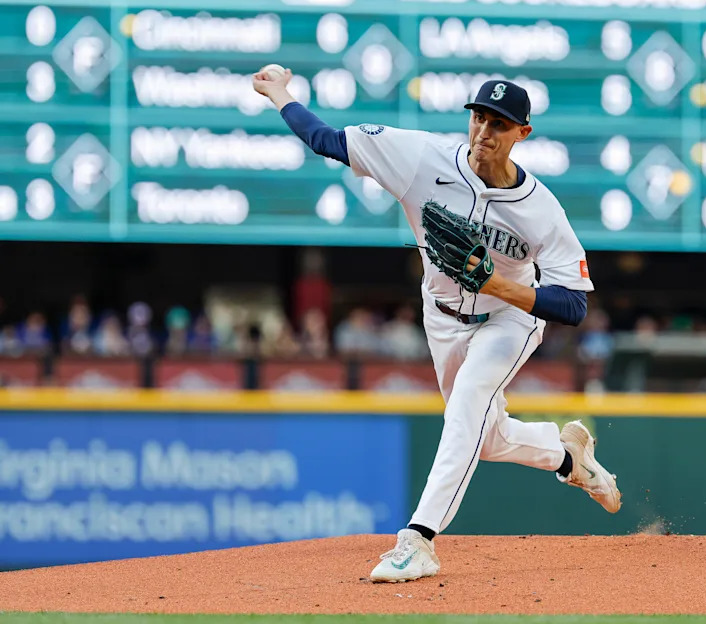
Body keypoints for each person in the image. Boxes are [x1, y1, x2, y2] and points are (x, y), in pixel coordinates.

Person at [253, 70, 622, 583]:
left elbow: (574, 304)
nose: (484, 132)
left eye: (500, 123)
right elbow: (326, 141)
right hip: (442, 318)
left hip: (508, 320)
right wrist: (278, 94)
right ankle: (567, 457)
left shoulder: (541, 210)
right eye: (478, 117)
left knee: (469, 400)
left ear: (523, 134)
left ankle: (418, 540)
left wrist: (498, 287)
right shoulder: (420, 158)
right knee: (484, 438)